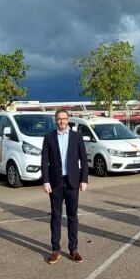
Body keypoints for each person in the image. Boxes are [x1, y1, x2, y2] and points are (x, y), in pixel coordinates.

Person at [40, 109, 89, 264]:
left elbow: (83, 158)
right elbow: (44, 161)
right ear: (55, 120)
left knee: (72, 216)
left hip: (73, 181)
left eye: (64, 118)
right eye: (59, 119)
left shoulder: (76, 137)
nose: (62, 121)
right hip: (55, 183)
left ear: (68, 119)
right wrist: (46, 181)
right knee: (55, 216)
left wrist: (84, 179)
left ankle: (73, 249)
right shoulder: (49, 138)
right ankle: (55, 249)